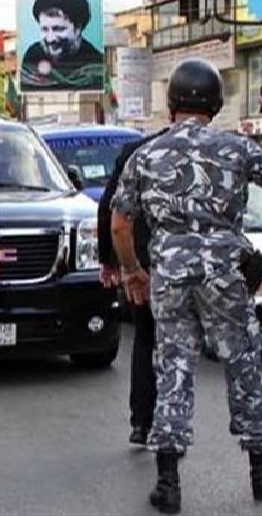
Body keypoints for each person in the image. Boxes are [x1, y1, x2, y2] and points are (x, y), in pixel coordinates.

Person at [110, 58, 262, 513]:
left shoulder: (146, 155)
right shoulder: (236, 148)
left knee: (173, 367)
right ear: (216, 105)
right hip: (224, 275)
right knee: (243, 362)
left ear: (171, 104)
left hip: (170, 277)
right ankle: (261, 471)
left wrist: (133, 271)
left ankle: (168, 482)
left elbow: (120, 224)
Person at [97, 128, 167, 446]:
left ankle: (141, 421)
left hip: (140, 259)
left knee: (144, 337)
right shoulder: (201, 149)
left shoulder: (135, 152)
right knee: (177, 343)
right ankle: (169, 424)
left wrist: (110, 261)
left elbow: (108, 207)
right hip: (181, 264)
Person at [21, 0, 104, 90]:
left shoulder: (94, 61)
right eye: (45, 29)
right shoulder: (32, 57)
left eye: (58, 29)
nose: (50, 38)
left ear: (77, 28)